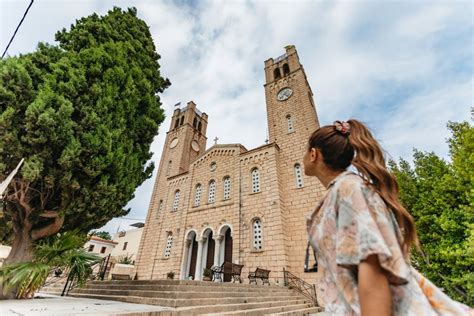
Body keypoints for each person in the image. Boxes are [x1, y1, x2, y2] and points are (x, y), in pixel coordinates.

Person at [304, 120, 472, 316]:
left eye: (305, 150)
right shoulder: (338, 192)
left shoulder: (349, 189)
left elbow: (373, 275)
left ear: (314, 154)